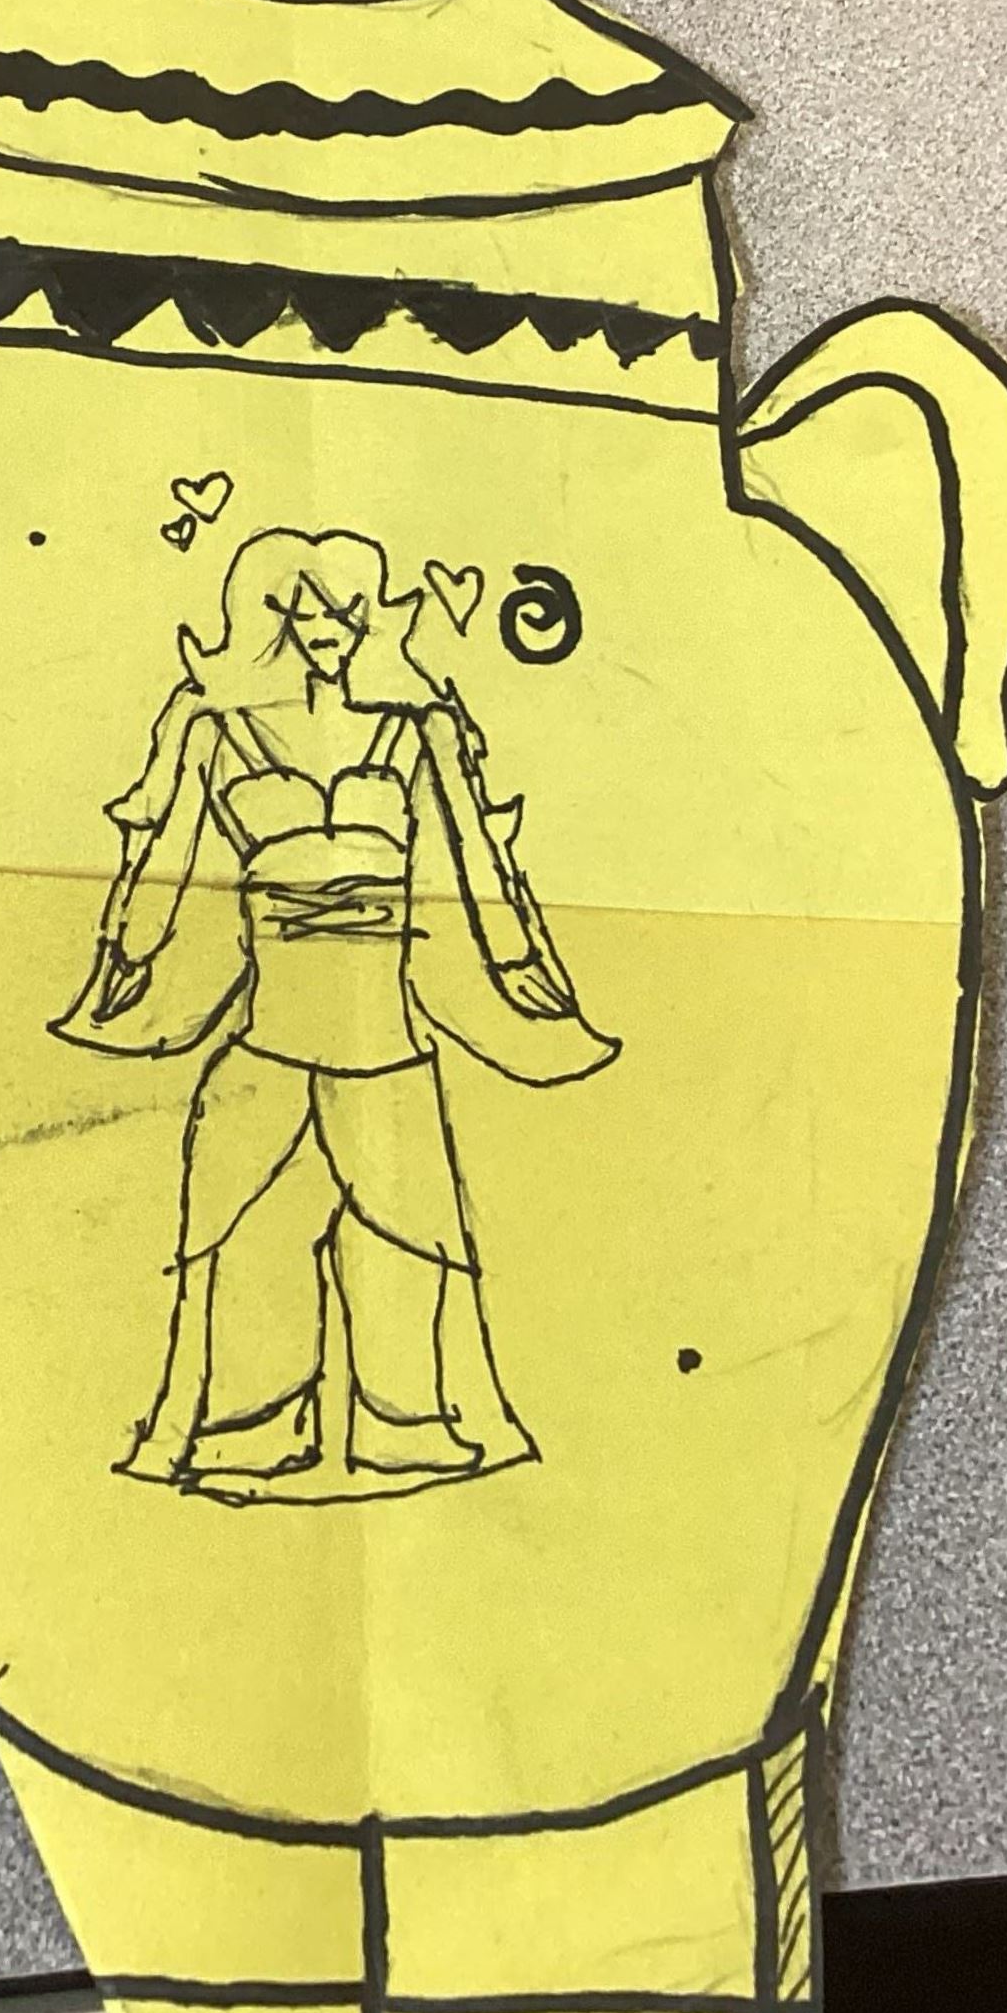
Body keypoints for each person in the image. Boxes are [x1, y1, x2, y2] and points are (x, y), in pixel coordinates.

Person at [52, 528, 617, 1503]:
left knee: (416, 1238)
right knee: (238, 1234)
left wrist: (516, 956)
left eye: (344, 609)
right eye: (301, 608)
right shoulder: (214, 732)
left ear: (368, 619)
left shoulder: (415, 730)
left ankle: (412, 1422)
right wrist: (124, 955)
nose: (324, 628)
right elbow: (165, 857)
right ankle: (243, 1425)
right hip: (269, 1035)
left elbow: (474, 854)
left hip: (384, 1035)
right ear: (266, 618)